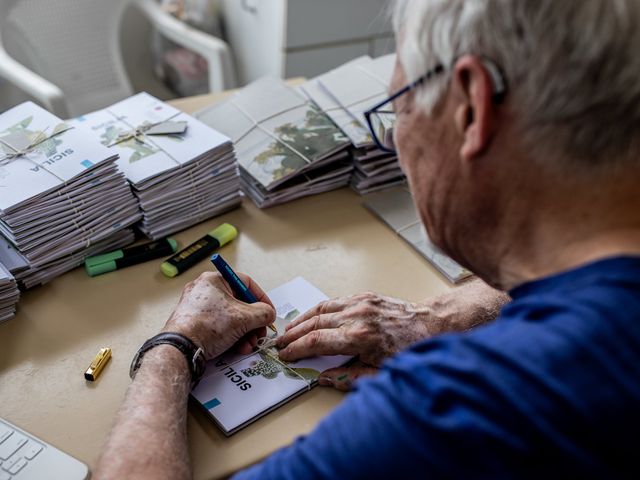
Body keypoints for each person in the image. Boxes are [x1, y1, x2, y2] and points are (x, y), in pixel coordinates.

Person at [94, 0, 640, 478]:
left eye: (398, 108)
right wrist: (447, 314)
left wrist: (173, 350)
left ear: (470, 107)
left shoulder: (458, 406)